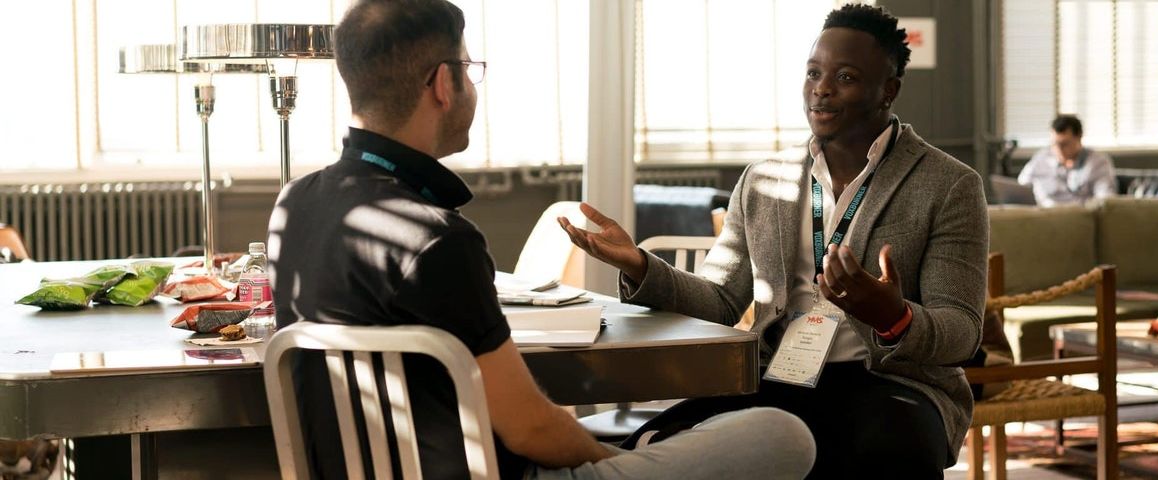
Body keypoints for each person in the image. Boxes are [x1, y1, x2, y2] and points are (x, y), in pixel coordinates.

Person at [267, 1, 815, 479]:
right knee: (781, 434)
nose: (470, 85)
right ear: (440, 83)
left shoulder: (295, 204)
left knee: (663, 437)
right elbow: (530, 429)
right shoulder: (438, 240)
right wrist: (615, 465)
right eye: (468, 69)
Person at [559, 4, 986, 479]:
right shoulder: (766, 180)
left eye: (844, 76)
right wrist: (641, 265)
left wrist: (895, 318)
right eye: (812, 73)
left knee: (876, 453)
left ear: (888, 90)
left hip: (890, 382)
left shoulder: (948, 184)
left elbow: (963, 332)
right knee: (658, 443)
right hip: (780, 376)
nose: (820, 89)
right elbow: (721, 300)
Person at [1017, 114, 1118, 206]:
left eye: (1064, 144)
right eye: (1054, 144)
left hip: (1078, 216)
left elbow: (1105, 199)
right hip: (1043, 216)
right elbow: (1020, 186)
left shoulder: (1097, 162)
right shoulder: (1042, 158)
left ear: (1079, 137)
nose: (1058, 150)